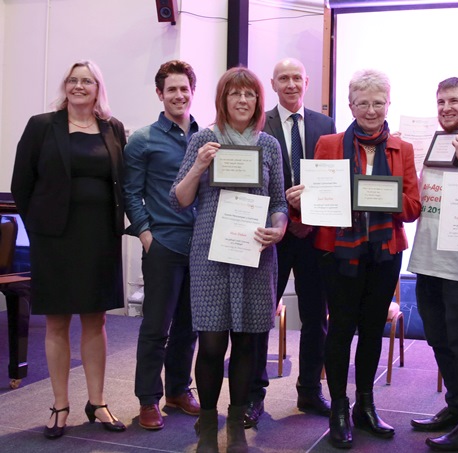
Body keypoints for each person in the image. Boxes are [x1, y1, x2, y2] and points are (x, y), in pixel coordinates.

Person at [285, 69, 421, 449]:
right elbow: (315, 205)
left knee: (372, 328)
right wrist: (300, 203)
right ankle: (339, 408)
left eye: (379, 102)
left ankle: (365, 403)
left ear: (388, 104)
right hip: (336, 252)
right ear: (351, 106)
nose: (372, 110)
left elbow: (412, 207)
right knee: (341, 328)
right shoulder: (328, 144)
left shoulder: (402, 149)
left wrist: (383, 197)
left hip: (384, 253)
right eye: (364, 103)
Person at [170, 66, 288, 453]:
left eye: (249, 94)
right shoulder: (204, 139)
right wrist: (201, 164)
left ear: (258, 101)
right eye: (235, 94)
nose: (242, 100)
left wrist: (280, 226)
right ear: (222, 99)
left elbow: (278, 200)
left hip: (255, 253)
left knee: (248, 345)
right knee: (211, 343)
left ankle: (235, 422)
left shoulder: (268, 144)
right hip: (210, 255)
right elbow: (181, 197)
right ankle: (207, 422)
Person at [11, 60, 127, 438]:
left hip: (99, 238)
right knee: (57, 321)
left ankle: (97, 401)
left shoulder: (113, 129)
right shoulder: (42, 126)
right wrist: (41, 227)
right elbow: (21, 184)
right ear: (66, 86)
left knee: (96, 320)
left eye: (87, 81)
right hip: (55, 240)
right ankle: (59, 404)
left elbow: (121, 182)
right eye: (73, 80)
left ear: (98, 88)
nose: (79, 86)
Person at [244, 57, 336, 428]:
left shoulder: (325, 124)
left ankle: (310, 391)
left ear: (307, 81)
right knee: (260, 317)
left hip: (314, 235)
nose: (291, 84)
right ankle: (253, 396)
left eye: (297, 77)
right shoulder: (258, 123)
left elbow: (332, 178)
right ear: (274, 83)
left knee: (317, 317)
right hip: (271, 236)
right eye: (284, 78)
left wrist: (307, 214)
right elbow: (251, 180)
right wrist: (285, 215)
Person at [407, 77, 458, 451]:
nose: (446, 108)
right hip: (426, 258)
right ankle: (455, 407)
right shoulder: (429, 142)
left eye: (454, 101)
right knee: (438, 338)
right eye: (440, 101)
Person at [123, 60, 201, 431]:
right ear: (160, 94)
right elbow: (131, 193)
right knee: (157, 326)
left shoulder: (205, 135)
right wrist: (145, 235)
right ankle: (148, 400)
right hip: (164, 245)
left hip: (199, 246)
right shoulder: (143, 139)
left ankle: (178, 390)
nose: (178, 95)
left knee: (189, 326)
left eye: (184, 89)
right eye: (171, 89)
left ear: (192, 92)